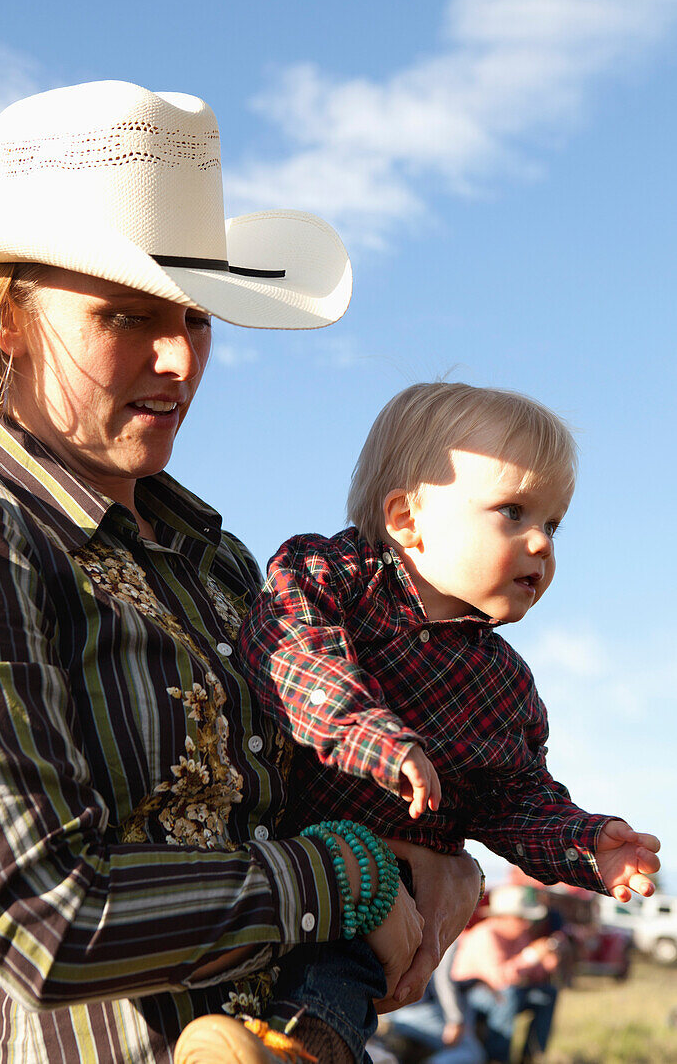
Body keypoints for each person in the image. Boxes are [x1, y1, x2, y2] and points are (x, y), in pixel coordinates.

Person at [0, 81, 482, 1064]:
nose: (178, 360)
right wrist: (341, 874)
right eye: (123, 314)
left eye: (194, 318)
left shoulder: (219, 562)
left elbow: (294, 809)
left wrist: (424, 848)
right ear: (9, 322)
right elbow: (37, 917)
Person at [237, 381, 661, 1058]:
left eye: (553, 523)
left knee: (342, 974)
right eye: (514, 512)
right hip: (278, 850)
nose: (543, 544)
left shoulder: (502, 681)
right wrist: (375, 737)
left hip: (383, 899)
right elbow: (295, 655)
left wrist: (586, 844)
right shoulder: (330, 577)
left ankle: (300, 1052)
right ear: (408, 518)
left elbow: (514, 800)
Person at [452, 885, 566, 1063]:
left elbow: (528, 973)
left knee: (547, 994)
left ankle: (531, 1056)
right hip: (468, 995)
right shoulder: (485, 935)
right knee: (508, 996)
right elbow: (501, 980)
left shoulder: (518, 935)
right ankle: (497, 1058)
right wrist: (532, 956)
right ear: (504, 917)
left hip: (496, 992)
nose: (528, 923)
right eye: (522, 918)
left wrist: (546, 965)